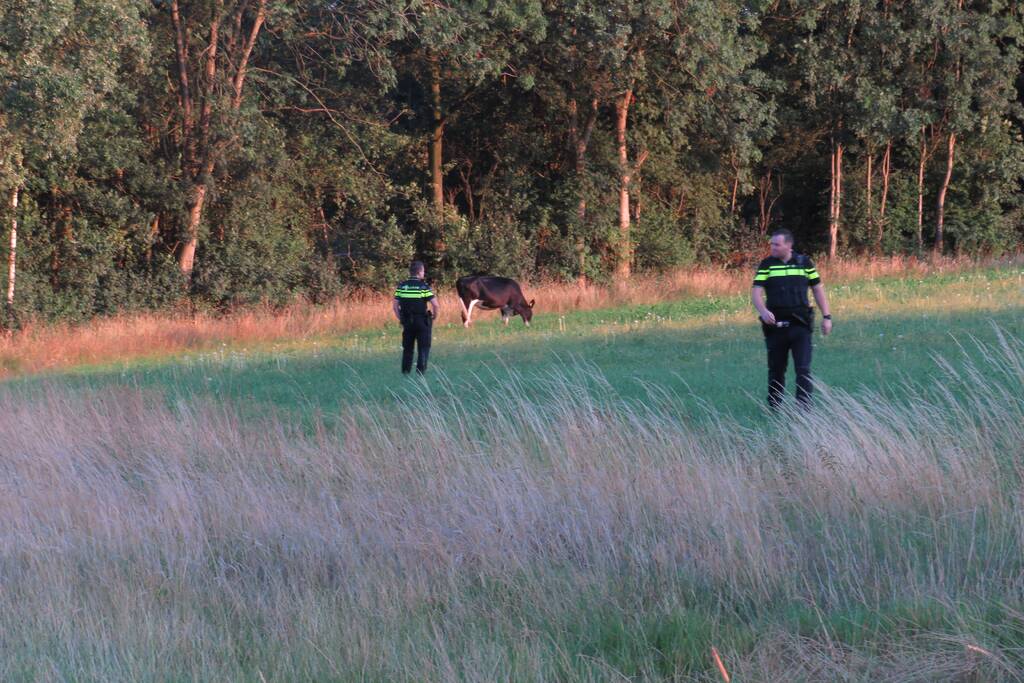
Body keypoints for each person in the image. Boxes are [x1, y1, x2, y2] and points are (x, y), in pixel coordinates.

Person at [751, 229, 833, 409]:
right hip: (775, 327)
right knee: (776, 369)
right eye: (772, 244)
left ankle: (804, 409)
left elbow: (817, 289)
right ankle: (774, 407)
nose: (772, 247)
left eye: (777, 244)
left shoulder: (804, 263)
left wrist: (827, 316)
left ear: (788, 245)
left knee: (803, 369)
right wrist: (763, 311)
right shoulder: (767, 265)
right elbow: (756, 293)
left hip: (800, 325)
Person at [393, 260, 440, 375]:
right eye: (423, 271)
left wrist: (401, 318)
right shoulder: (423, 287)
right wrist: (434, 316)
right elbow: (435, 305)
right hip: (422, 321)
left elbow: (395, 306)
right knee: (423, 348)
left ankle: (405, 372)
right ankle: (420, 373)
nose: (424, 273)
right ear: (419, 272)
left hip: (407, 321)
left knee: (407, 348)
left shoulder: (402, 286)